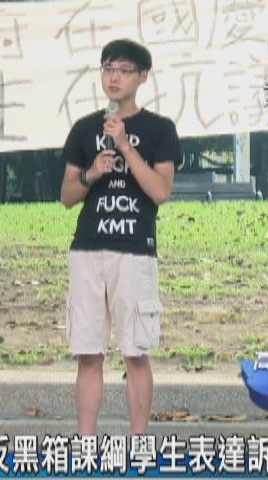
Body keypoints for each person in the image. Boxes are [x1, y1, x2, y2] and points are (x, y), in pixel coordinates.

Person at [59, 39, 182, 436]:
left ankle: (139, 442)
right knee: (88, 353)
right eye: (108, 69)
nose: (114, 78)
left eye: (124, 70)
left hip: (134, 252)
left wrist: (126, 147)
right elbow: (67, 196)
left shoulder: (160, 130)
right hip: (88, 249)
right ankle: (85, 444)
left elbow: (160, 191)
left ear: (142, 77)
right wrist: (92, 172)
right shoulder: (84, 129)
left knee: (135, 352)